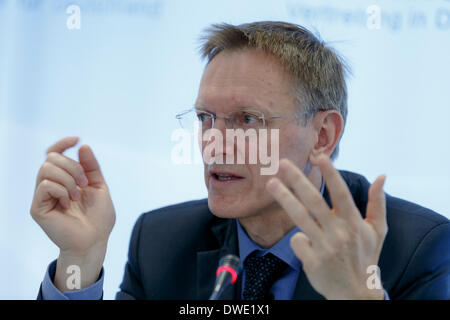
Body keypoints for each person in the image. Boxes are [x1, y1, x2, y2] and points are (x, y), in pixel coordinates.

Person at [31, 21, 449, 300]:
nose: (214, 143)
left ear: (322, 135)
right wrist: (79, 262)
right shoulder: (161, 242)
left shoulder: (416, 250)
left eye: (247, 120)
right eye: (205, 119)